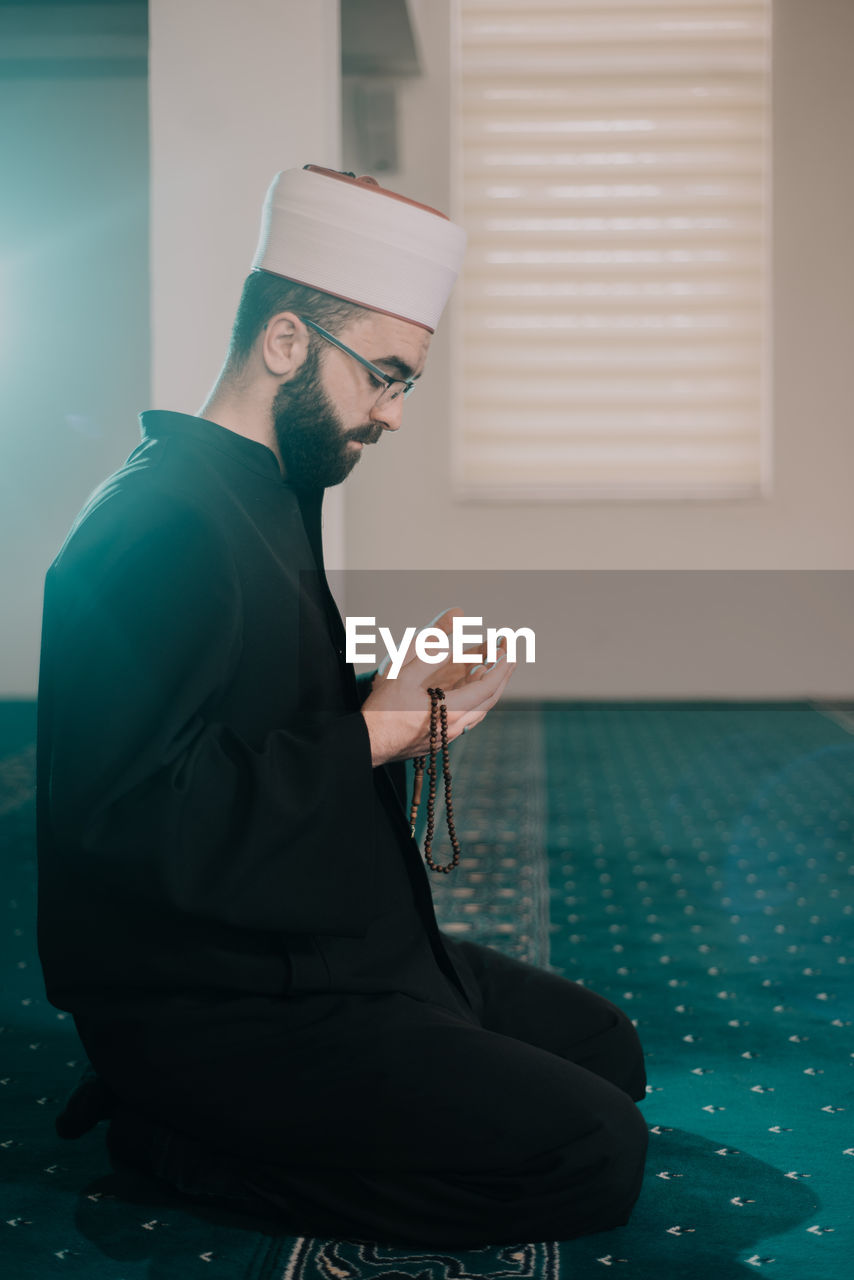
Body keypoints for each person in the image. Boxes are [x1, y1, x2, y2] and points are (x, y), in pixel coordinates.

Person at [36, 164, 648, 1248]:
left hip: (329, 942)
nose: (393, 412)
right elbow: (135, 825)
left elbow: (256, 693)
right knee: (588, 1153)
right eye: (383, 375)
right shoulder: (158, 524)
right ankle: (180, 1142)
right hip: (216, 1002)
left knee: (605, 1049)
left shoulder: (267, 488)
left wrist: (405, 696)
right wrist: (377, 725)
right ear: (285, 343)